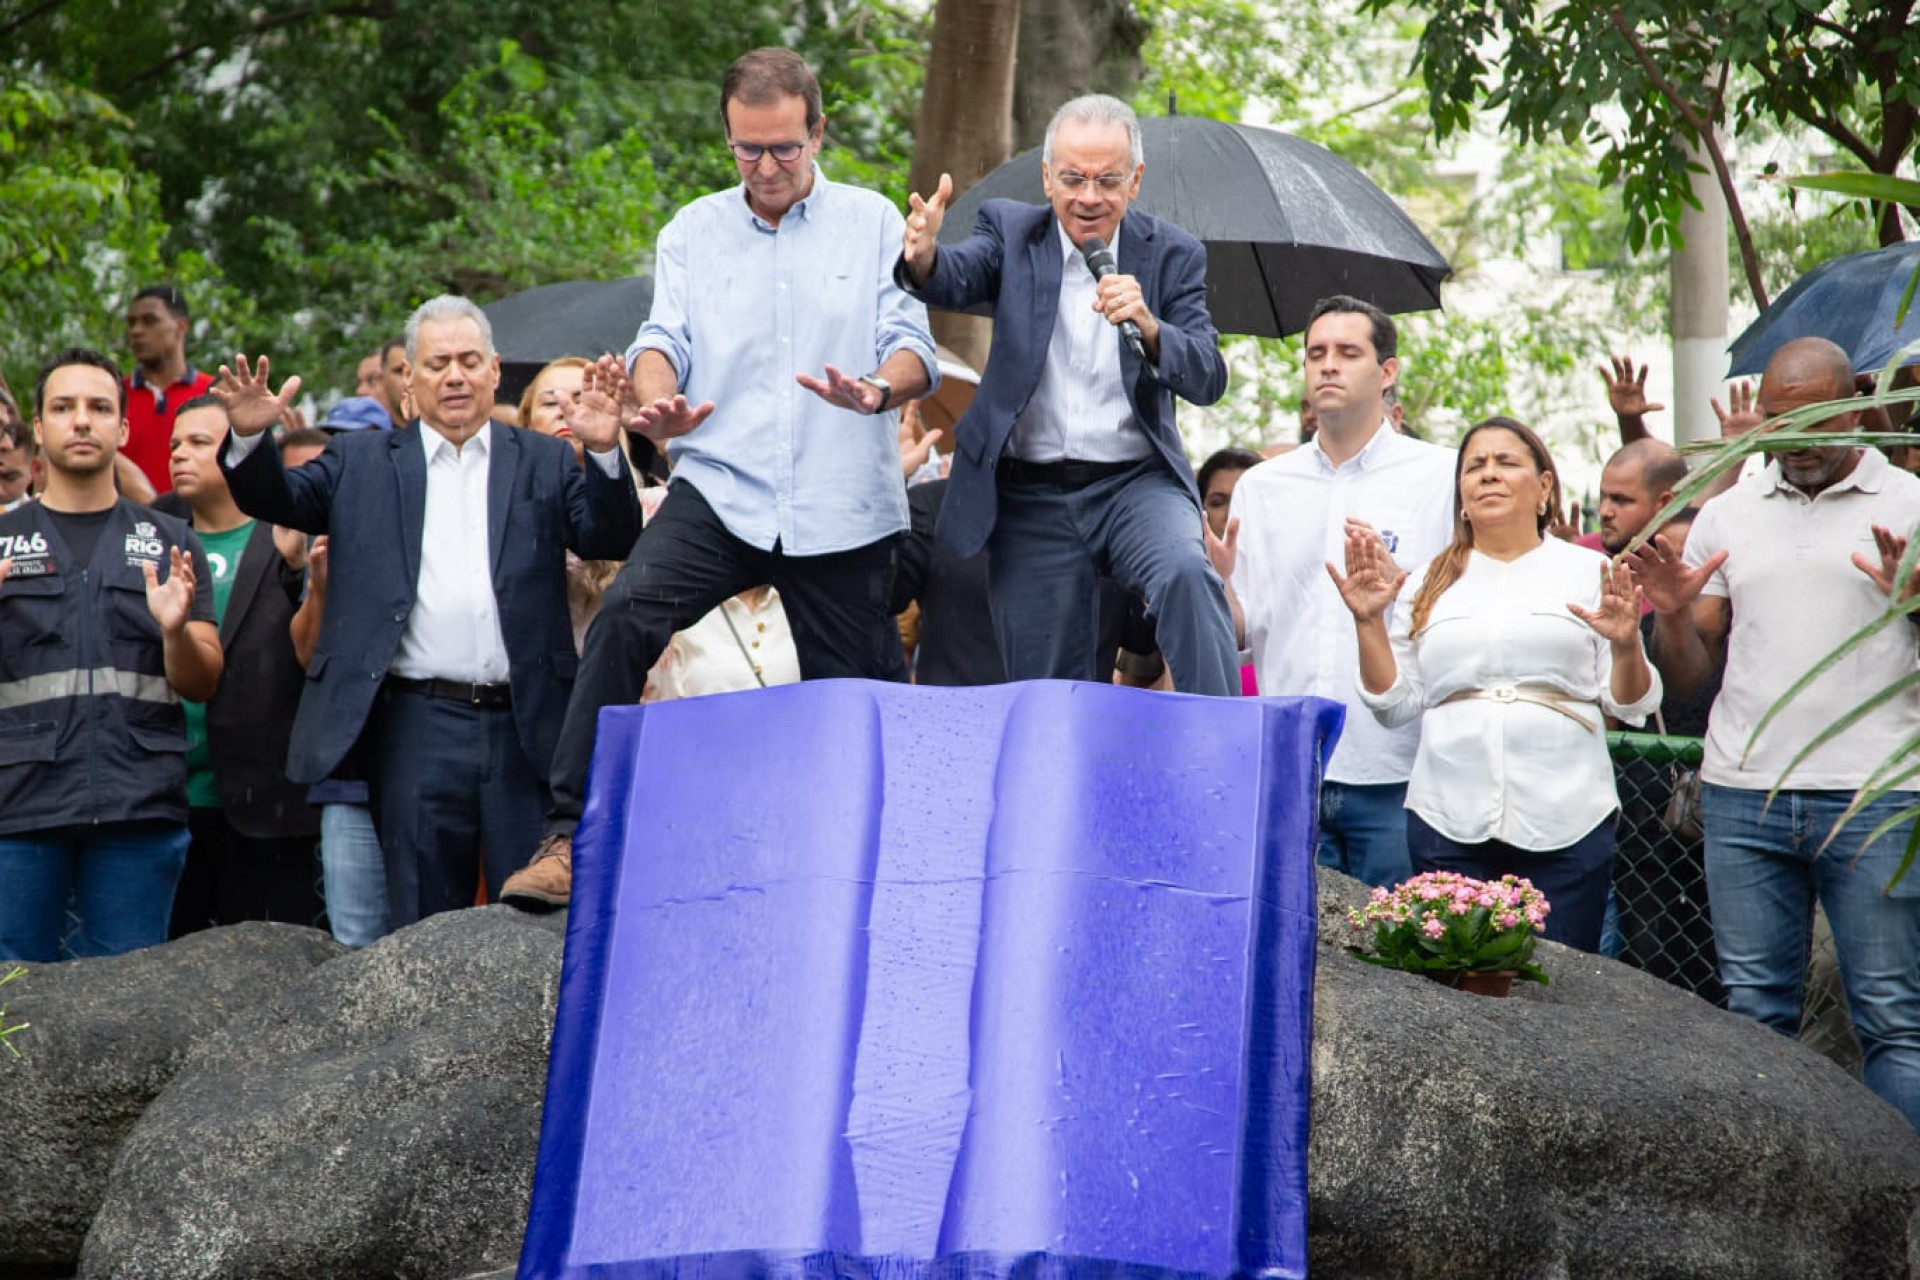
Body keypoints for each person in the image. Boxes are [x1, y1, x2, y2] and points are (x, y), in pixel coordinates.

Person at [498, 48, 937, 911]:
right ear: (727, 138)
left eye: (784, 149)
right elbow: (662, 340)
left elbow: (912, 344)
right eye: (747, 150)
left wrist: (878, 389)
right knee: (625, 615)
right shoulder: (692, 230)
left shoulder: (874, 220)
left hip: (840, 502)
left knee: (866, 697)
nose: (766, 168)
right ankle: (569, 837)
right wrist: (658, 401)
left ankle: (895, 870)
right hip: (723, 489)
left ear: (819, 132)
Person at [216, 295, 641, 928]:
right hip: (416, 723)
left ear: (495, 370)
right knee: (421, 918)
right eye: (438, 364)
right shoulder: (361, 462)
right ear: (409, 381)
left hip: (526, 722)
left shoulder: (543, 459)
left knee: (532, 925)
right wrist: (251, 439)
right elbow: (277, 498)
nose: (455, 376)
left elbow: (609, 535)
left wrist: (604, 452)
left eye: (469, 361)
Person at [1632, 336, 1920, 1130]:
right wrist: (1671, 615)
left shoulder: (1910, 502)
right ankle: (1778, 1194)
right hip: (1744, 797)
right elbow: (1688, 677)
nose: (1794, 441)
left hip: (1876, 796)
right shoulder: (1729, 512)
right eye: (1777, 422)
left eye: (1813, 421)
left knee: (1893, 1020)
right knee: (1755, 1019)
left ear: (1855, 406)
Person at [898, 92, 1237, 695]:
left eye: (1107, 180)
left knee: (1187, 572)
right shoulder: (1010, 231)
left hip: (1135, 484)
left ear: (1135, 180)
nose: (1088, 197)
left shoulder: (1173, 254)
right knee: (1051, 688)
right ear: (1047, 178)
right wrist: (924, 259)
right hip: (1032, 495)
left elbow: (1208, 375)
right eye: (1074, 178)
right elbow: (958, 274)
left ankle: (1226, 736)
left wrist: (1151, 327)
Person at [1331, 416, 1661, 950]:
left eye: (1506, 462)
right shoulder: (1427, 581)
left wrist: (1626, 644)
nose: (1488, 474)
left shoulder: (1590, 571)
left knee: (1561, 977)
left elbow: (1631, 702)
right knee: (1456, 976)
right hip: (1446, 814)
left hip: (1568, 814)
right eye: (1474, 466)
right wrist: (1368, 622)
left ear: (1544, 487)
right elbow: (1393, 705)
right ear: (1461, 494)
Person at [1222, 297, 1456, 887]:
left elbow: (1459, 613)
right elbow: (1242, 631)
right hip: (1290, 763)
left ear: (1387, 371)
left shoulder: (1441, 476)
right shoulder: (1261, 487)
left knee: (1398, 941)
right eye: (1316, 353)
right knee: (1295, 935)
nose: (1328, 365)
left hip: (1398, 767)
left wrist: (1399, 592)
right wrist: (1214, 584)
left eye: (1348, 352)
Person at [0, 348, 222, 961]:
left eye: (99, 407)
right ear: (38, 428)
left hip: (137, 807)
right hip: (17, 808)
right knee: (11, 995)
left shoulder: (170, 541)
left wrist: (175, 632)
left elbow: (203, 681)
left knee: (130, 997)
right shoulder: (3, 541)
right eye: (63, 407)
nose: (81, 420)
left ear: (122, 429)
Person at [152, 396, 321, 935]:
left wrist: (303, 572)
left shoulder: (290, 533)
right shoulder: (151, 539)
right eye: (174, 444)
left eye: (199, 442)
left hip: (269, 801)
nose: (180, 454)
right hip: (166, 795)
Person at [124, 284, 215, 495]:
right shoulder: (111, 397)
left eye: (149, 321)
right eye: (132, 323)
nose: (136, 331)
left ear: (181, 327)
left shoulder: (213, 393)